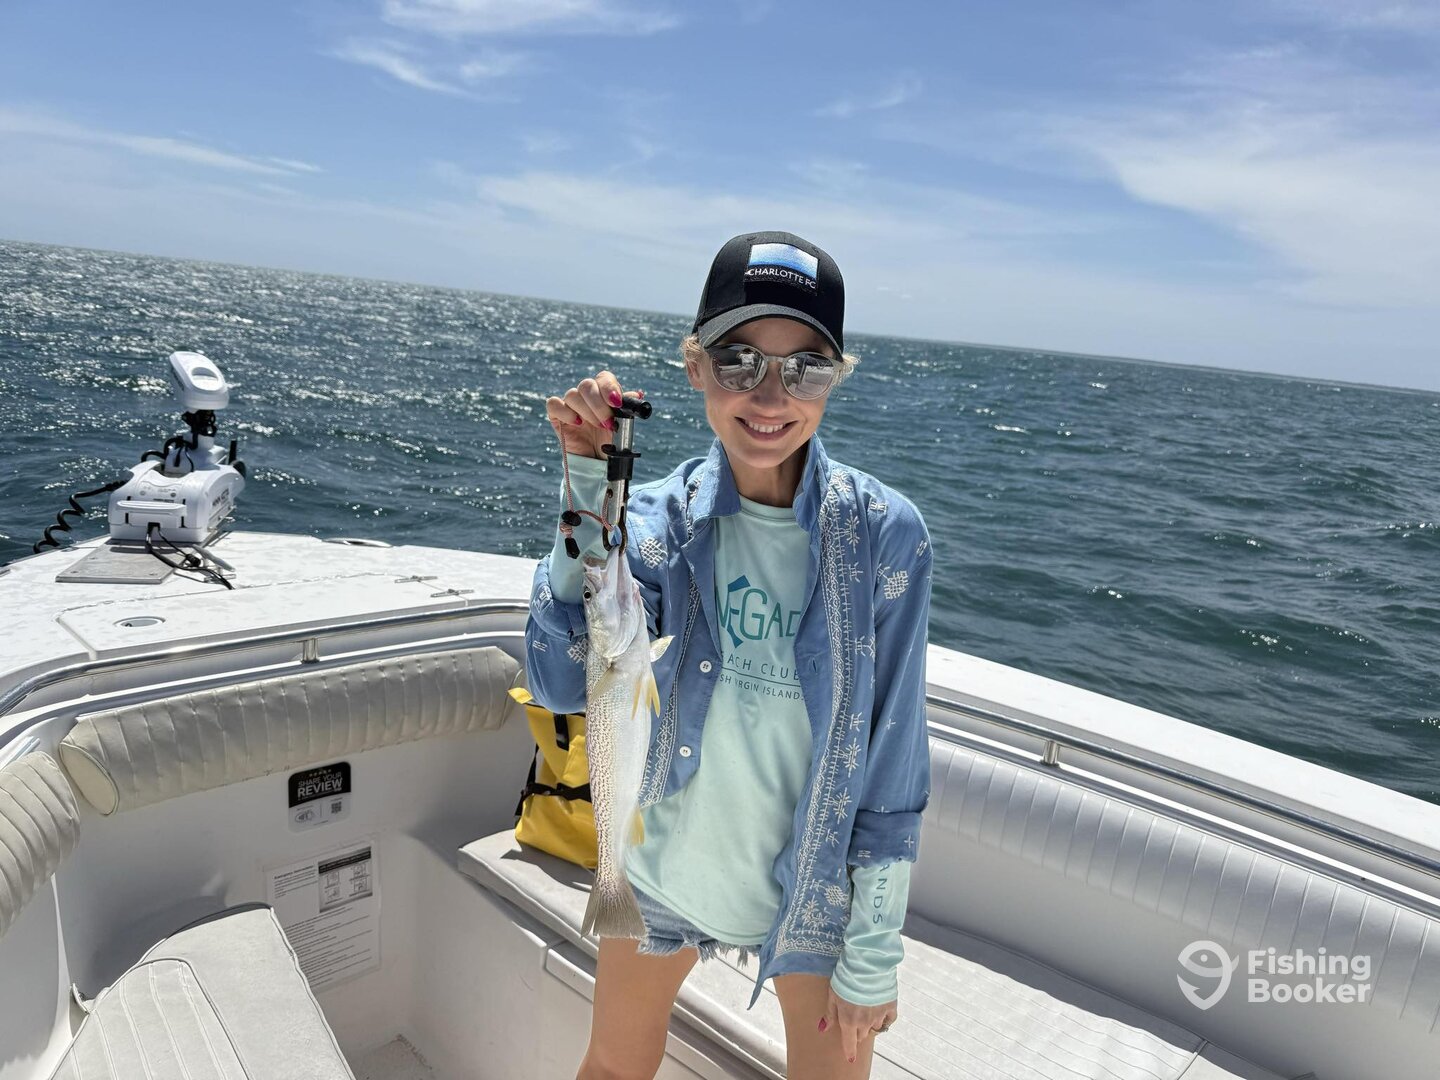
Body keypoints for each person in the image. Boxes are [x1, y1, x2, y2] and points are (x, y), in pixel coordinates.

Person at [527, 231, 933, 1080]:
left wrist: (874, 950)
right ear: (695, 367)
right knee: (612, 1066)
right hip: (657, 874)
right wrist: (586, 488)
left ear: (836, 378)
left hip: (815, 892)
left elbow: (892, 760)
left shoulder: (886, 537)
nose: (770, 394)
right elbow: (562, 679)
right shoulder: (655, 521)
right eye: (739, 360)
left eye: (806, 368)